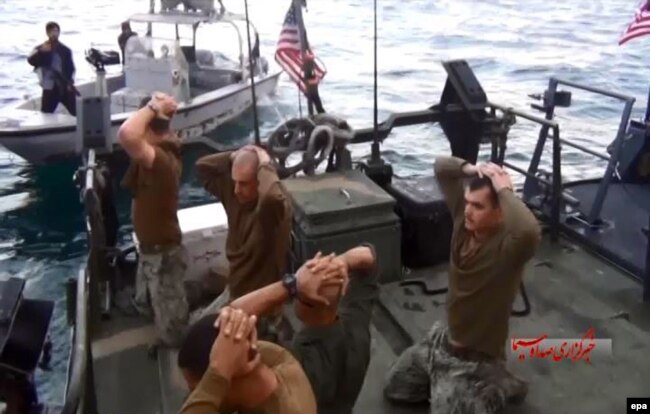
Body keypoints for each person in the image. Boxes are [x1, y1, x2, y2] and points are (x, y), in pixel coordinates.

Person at [383, 157, 542, 413]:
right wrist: (472, 168)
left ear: (500, 212)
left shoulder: (509, 249)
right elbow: (441, 168)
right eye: (467, 202)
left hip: (477, 358)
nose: (468, 210)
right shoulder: (463, 223)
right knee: (396, 388)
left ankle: (493, 385)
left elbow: (529, 231)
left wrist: (504, 190)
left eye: (478, 206)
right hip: (443, 342)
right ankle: (451, 385)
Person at [223, 244, 378, 414]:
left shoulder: (293, 362)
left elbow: (228, 318)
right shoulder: (357, 324)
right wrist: (337, 264)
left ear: (305, 302)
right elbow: (369, 256)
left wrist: (290, 285)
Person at [193, 145, 292, 338]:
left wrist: (264, 162)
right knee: (198, 333)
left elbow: (272, 196)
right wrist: (233, 155)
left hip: (260, 302)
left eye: (245, 183)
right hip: (235, 289)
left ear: (260, 181)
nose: (237, 189)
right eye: (235, 181)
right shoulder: (235, 194)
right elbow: (202, 167)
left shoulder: (272, 214)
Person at [118, 92, 189, 347]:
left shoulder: (161, 162)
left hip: (164, 254)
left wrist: (152, 106)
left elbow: (127, 135)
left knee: (174, 330)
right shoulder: (160, 147)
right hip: (150, 250)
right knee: (148, 300)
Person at [178, 309, 317, 414]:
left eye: (197, 390)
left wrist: (217, 373)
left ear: (227, 379)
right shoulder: (276, 357)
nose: (192, 398)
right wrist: (235, 318)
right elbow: (234, 339)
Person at [27, 21, 77, 116]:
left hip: (63, 85)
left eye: (56, 31)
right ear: (47, 33)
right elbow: (30, 61)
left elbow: (71, 68)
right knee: (45, 114)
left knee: (77, 112)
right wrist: (41, 52)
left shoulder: (65, 50)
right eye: (52, 31)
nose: (54, 34)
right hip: (49, 87)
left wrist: (70, 83)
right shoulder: (40, 48)